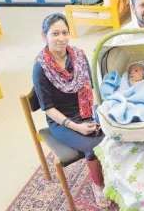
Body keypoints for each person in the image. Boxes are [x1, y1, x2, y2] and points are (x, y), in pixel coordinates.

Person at [32, 13, 110, 208]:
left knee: (115, 128)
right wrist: (77, 127)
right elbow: (48, 108)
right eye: (55, 33)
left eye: (64, 33)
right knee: (94, 144)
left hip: (85, 109)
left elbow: (92, 88)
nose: (61, 38)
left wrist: (98, 112)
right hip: (62, 121)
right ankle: (98, 185)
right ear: (44, 36)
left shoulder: (79, 55)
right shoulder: (40, 68)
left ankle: (114, 174)